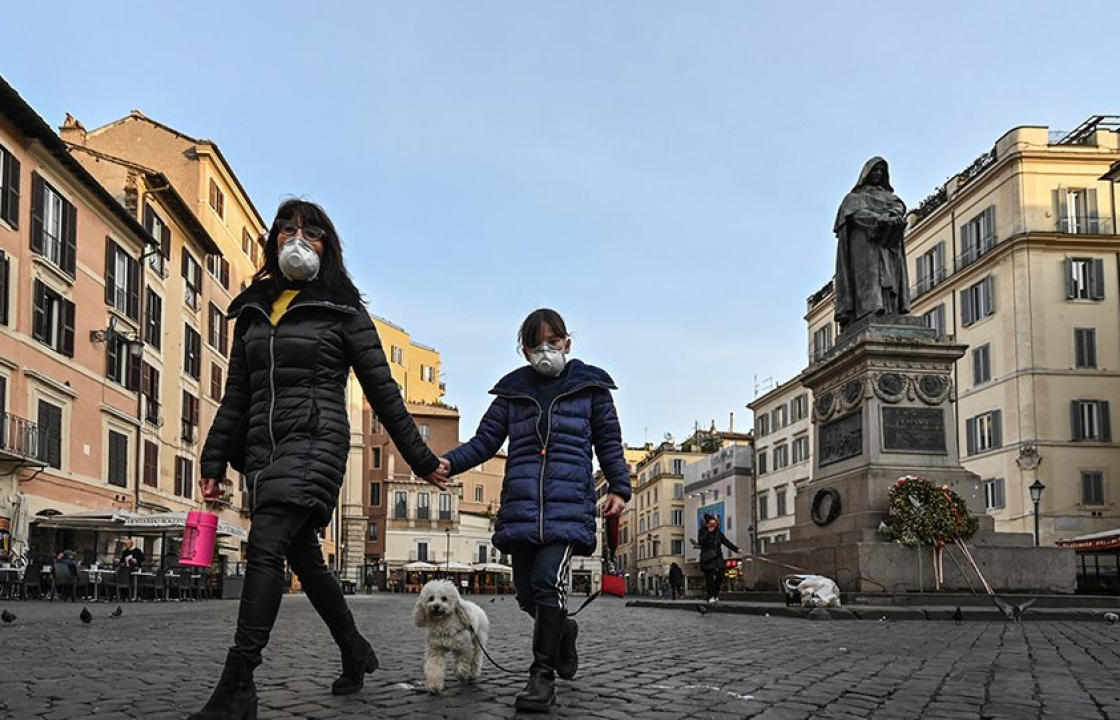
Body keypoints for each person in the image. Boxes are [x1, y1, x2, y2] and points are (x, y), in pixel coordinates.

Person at [190, 199, 449, 720]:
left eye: (310, 231)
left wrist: (421, 460)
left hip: (318, 440)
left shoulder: (344, 310)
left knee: (265, 548)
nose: (297, 237)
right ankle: (355, 648)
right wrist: (213, 461)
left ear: (328, 245)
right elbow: (236, 396)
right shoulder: (253, 312)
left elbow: (382, 390)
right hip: (264, 453)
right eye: (287, 229)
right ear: (274, 241)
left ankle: (239, 682)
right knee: (307, 561)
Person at [442, 308, 630, 713]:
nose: (547, 350)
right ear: (524, 351)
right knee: (528, 596)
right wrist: (448, 464)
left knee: (547, 583)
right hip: (523, 507)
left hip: (567, 507)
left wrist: (620, 487)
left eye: (553, 341)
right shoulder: (513, 393)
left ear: (567, 343)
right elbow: (484, 442)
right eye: (536, 344)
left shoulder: (590, 388)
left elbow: (609, 442)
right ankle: (564, 630)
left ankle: (541, 676)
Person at [833, 156, 909, 332]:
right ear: (866, 173)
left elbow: (899, 207)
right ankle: (870, 309)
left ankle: (891, 309)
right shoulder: (853, 198)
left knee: (889, 275)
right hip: (865, 244)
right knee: (870, 276)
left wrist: (891, 216)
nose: (877, 173)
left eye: (881, 171)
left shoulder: (890, 197)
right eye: (874, 170)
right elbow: (856, 215)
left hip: (888, 244)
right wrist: (879, 219)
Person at [697, 515, 738, 605]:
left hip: (718, 556)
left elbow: (726, 542)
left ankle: (715, 594)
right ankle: (711, 596)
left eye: (714, 524)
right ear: (707, 524)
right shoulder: (702, 531)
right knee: (709, 578)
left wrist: (736, 549)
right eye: (711, 524)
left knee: (721, 575)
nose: (713, 526)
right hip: (707, 557)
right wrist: (708, 532)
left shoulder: (718, 532)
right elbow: (700, 542)